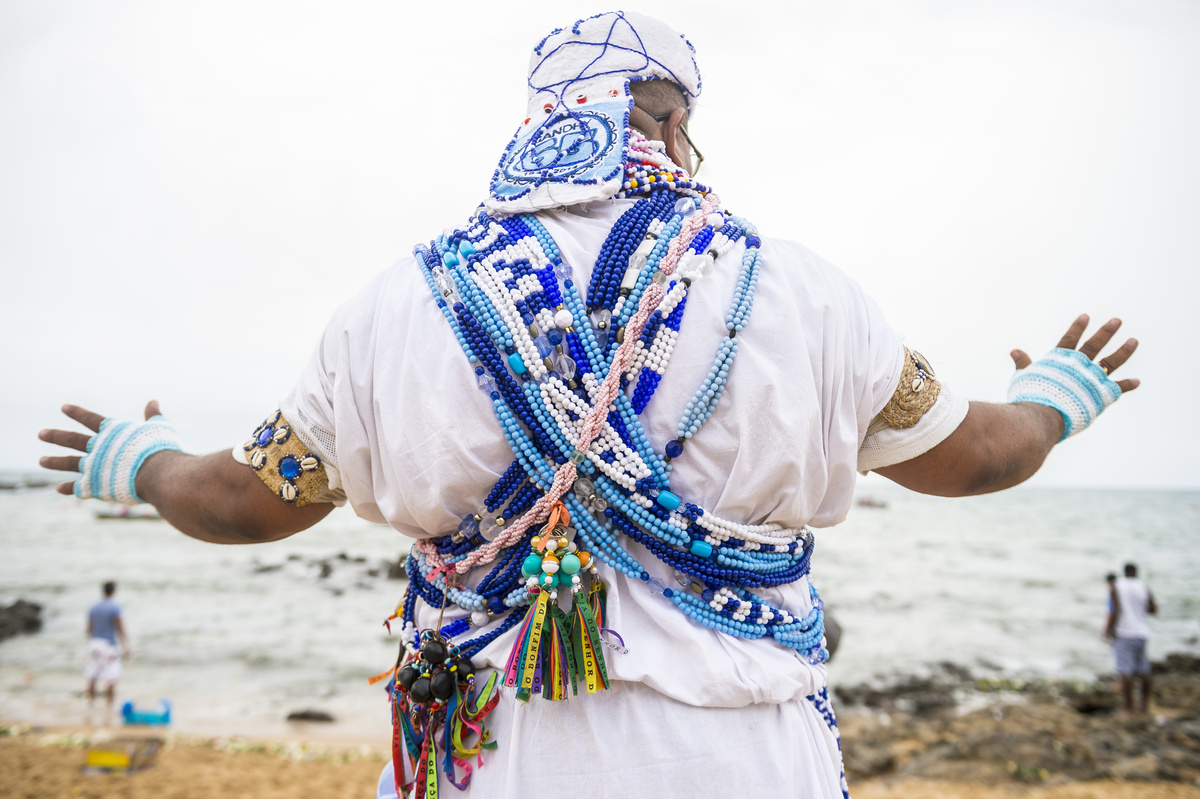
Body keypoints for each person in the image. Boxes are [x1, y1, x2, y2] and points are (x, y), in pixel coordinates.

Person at [38, 12, 1140, 798]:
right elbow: (980, 455)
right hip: (744, 764)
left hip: (480, 753)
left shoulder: (393, 308)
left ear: (544, 119)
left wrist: (138, 460)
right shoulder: (800, 294)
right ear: (670, 119)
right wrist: (1054, 396)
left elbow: (245, 500)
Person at [1106, 562, 1157, 713]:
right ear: (1136, 572)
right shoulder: (1143, 586)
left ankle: (1128, 707)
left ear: (1124, 572)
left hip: (1124, 632)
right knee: (1144, 671)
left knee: (1125, 671)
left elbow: (1115, 611)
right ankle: (1144, 706)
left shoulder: (1117, 586)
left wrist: (1108, 630)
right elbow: (1153, 609)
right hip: (1141, 632)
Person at [85, 580, 128, 713]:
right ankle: (109, 709)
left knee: (92, 675)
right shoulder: (114, 607)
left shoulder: (93, 607)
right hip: (109, 644)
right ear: (113, 591)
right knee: (111, 677)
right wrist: (126, 645)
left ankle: (91, 706)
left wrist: (93, 642)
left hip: (95, 643)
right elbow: (120, 628)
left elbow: (89, 629)